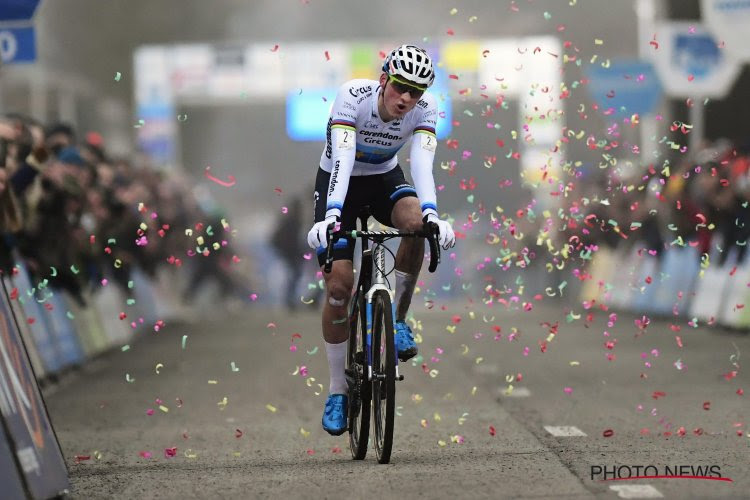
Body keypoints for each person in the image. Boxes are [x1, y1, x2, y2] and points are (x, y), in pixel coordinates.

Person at [305, 44, 455, 435]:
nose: (406, 98)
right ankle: (338, 390)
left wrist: (433, 214)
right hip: (340, 181)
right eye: (400, 86)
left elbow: (421, 164)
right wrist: (332, 215)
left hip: (383, 178)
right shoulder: (352, 97)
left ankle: (400, 320)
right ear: (384, 78)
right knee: (340, 286)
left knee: (417, 224)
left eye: (415, 92)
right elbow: (343, 156)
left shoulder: (426, 109)